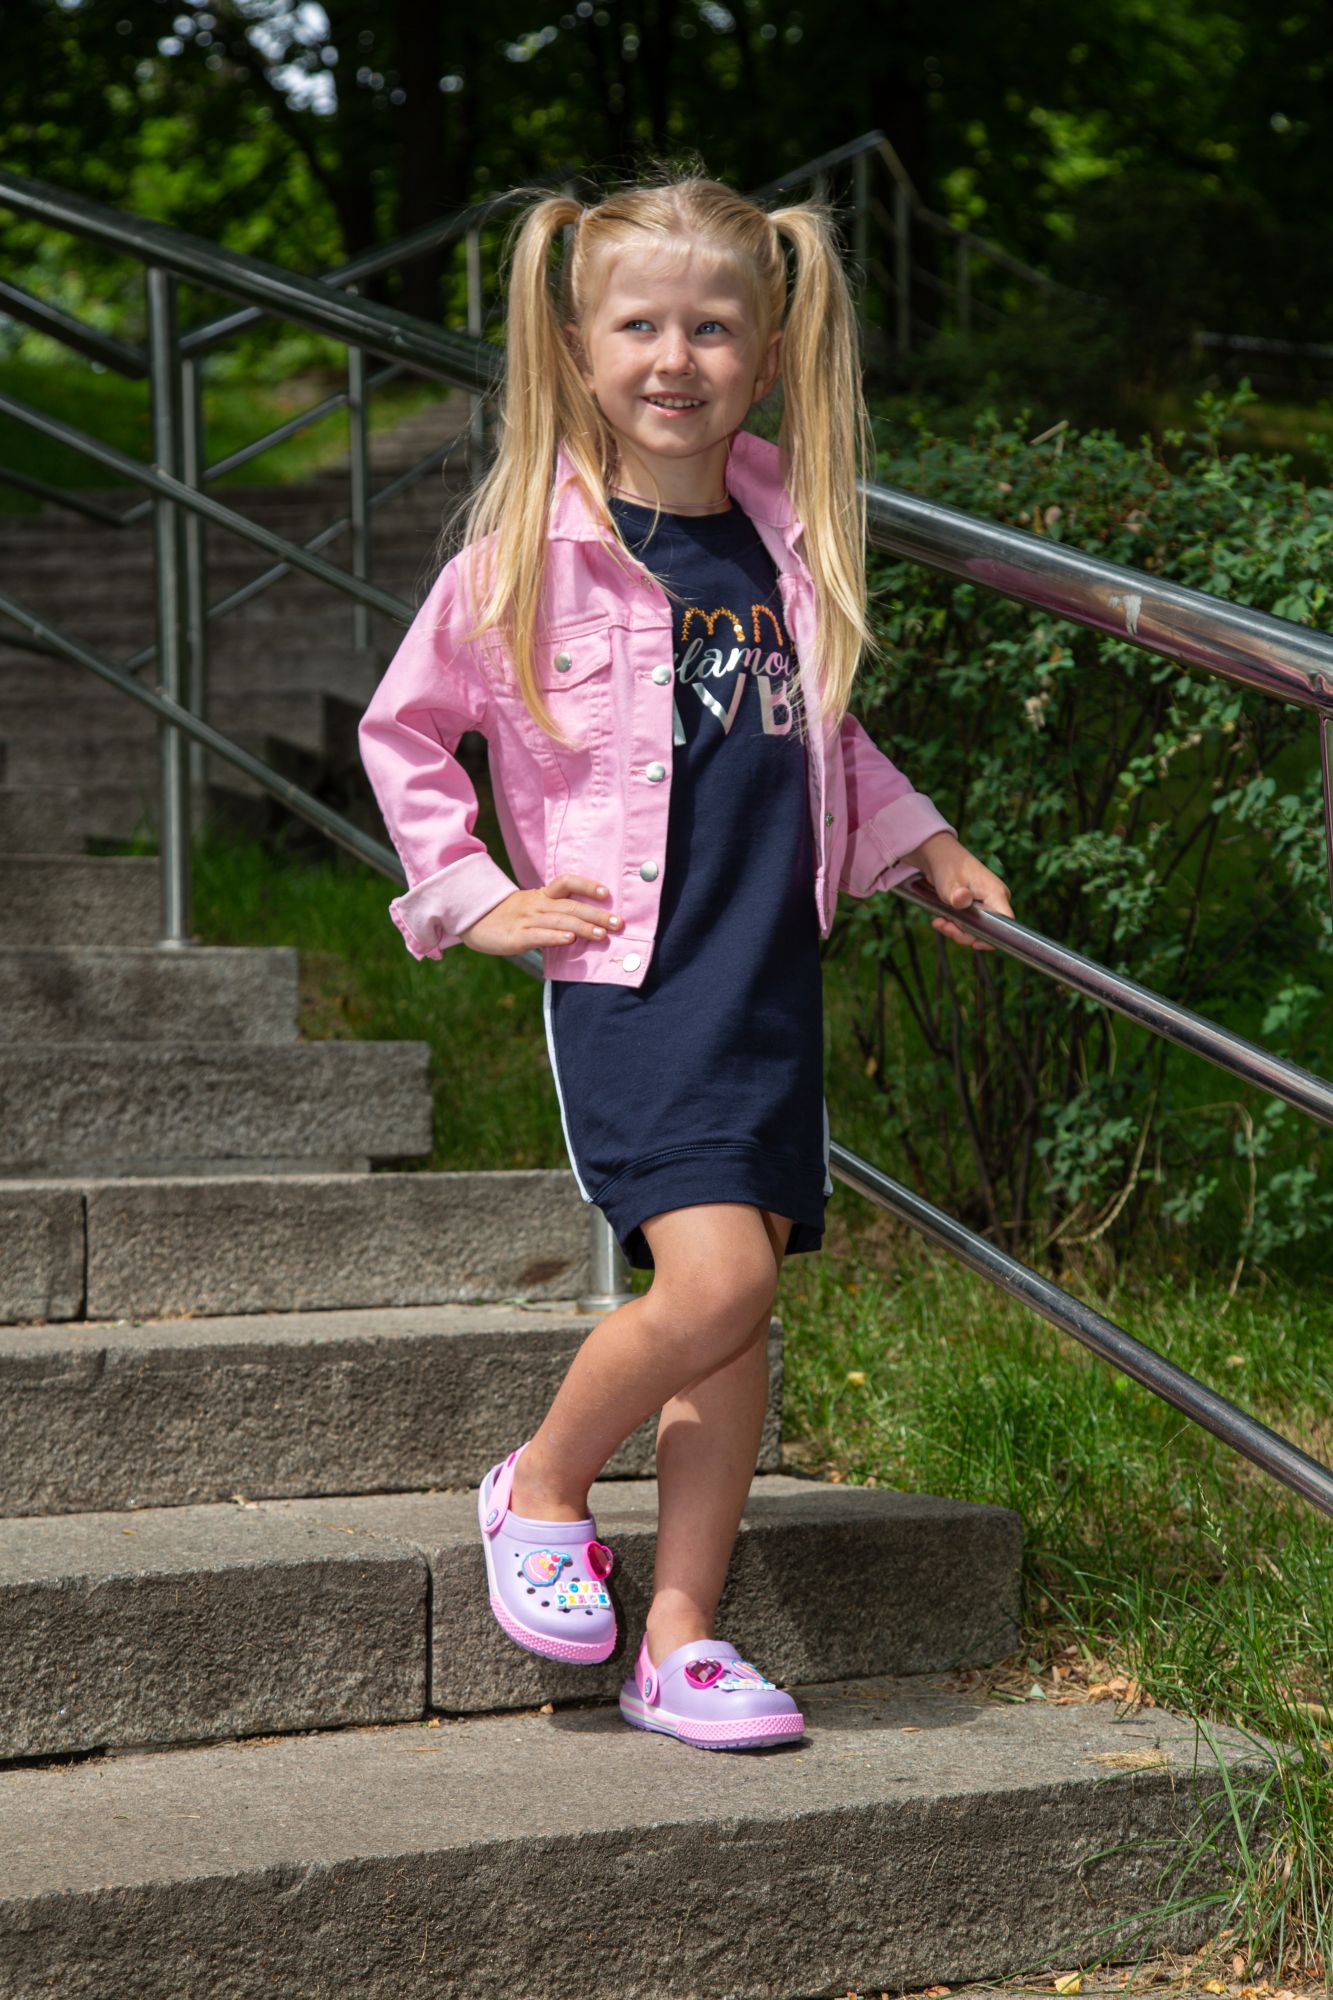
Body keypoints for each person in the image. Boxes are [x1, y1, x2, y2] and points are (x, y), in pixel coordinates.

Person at [358, 169, 1014, 1753]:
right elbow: (407, 732)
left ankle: (679, 1638)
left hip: (764, 979)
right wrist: (469, 894)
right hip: (632, 981)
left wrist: (920, 839)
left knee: (733, 1321)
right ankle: (542, 1483)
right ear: (575, 350)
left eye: (712, 328)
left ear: (768, 352)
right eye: (638, 326)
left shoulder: (786, 534)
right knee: (715, 1279)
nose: (675, 357)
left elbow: (818, 737)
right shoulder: (530, 550)